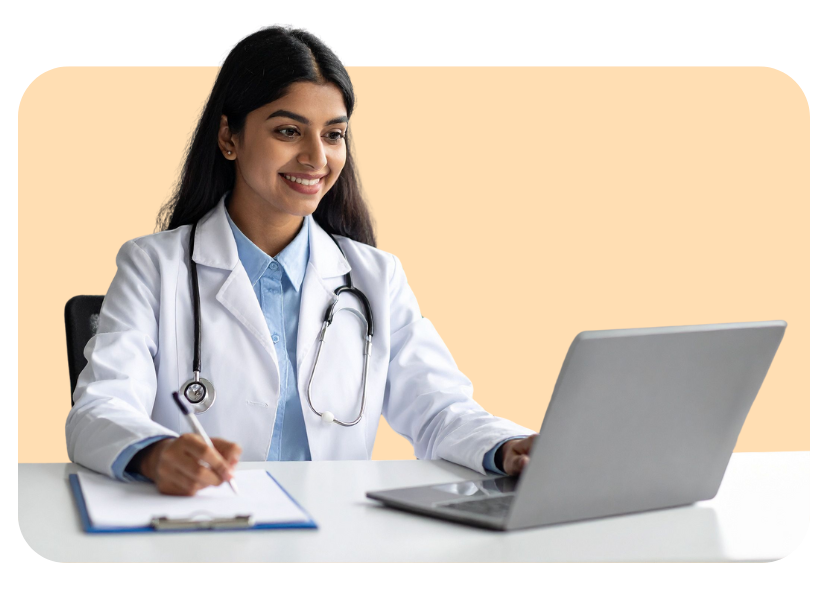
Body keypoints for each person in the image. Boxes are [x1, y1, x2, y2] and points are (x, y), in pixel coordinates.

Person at [65, 25, 537, 496]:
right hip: (207, 526)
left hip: (334, 532)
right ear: (229, 136)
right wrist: (155, 453)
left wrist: (508, 445)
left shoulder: (375, 277)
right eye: (288, 131)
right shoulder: (154, 267)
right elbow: (98, 409)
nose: (316, 157)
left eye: (333, 134)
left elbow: (440, 411)